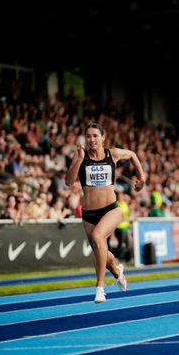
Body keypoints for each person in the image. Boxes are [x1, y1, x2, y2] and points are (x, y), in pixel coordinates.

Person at [66, 123, 146, 303]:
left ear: (103, 137)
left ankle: (99, 288)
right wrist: (78, 159)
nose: (92, 139)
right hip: (89, 213)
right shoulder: (81, 156)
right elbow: (69, 182)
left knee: (97, 237)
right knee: (100, 248)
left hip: (111, 209)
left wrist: (142, 177)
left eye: (95, 135)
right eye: (88, 136)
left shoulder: (113, 154)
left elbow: (132, 155)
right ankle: (117, 271)